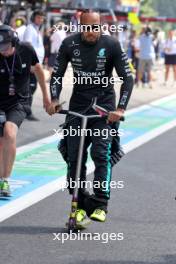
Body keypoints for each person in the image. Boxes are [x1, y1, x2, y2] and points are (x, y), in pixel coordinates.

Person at [48, 10, 133, 224]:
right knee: (74, 157)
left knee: (100, 153)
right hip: (78, 106)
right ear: (79, 26)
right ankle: (79, 206)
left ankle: (101, 203)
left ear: (101, 25)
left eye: (95, 27)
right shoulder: (69, 44)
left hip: (104, 108)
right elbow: (56, 75)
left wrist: (120, 109)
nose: (91, 31)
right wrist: (54, 99)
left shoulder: (112, 44)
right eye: (86, 27)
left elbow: (127, 79)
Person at [0, 25, 50, 197]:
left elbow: (38, 71)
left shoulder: (26, 50)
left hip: (19, 101)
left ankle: (5, 180)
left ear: (14, 42)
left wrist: (46, 97)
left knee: (10, 132)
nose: (2, 51)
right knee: (1, 141)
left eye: (5, 47)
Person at [23, 10, 45, 121]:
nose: (40, 20)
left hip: (36, 65)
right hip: (31, 65)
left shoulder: (36, 29)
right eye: (38, 18)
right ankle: (26, 112)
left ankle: (25, 110)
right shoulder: (30, 29)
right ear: (33, 18)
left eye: (42, 18)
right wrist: (30, 64)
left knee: (30, 87)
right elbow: (28, 46)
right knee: (30, 87)